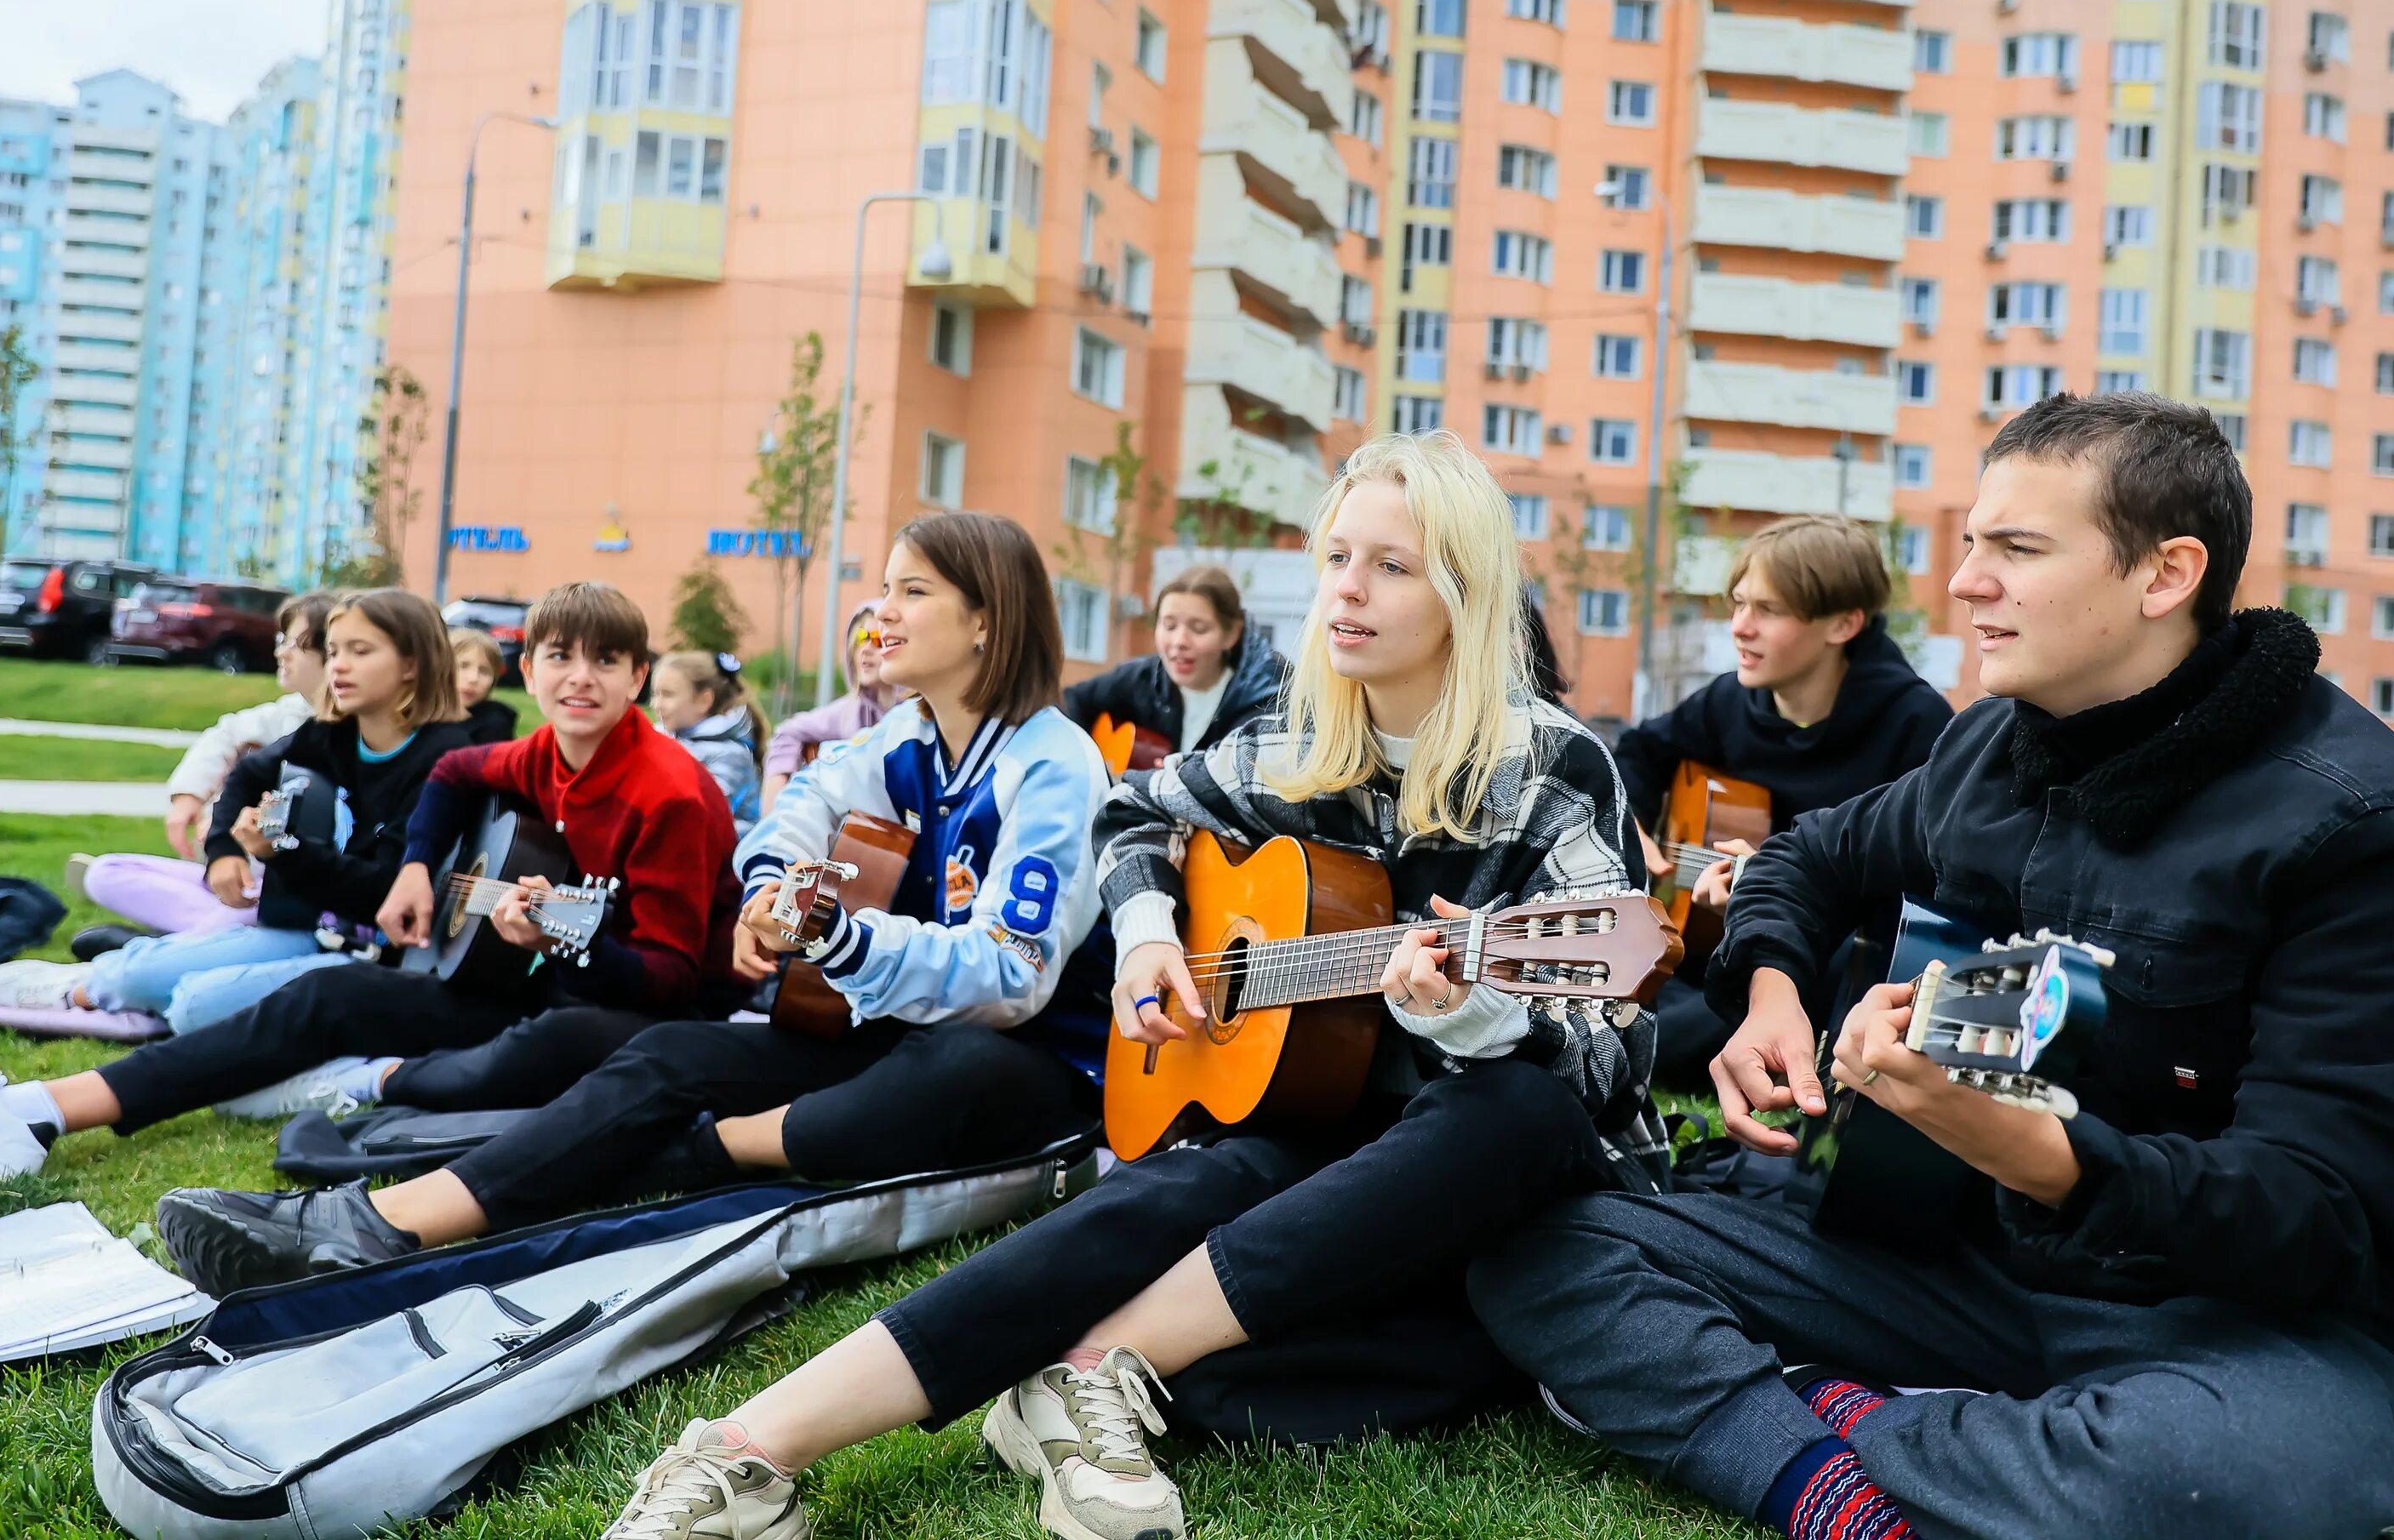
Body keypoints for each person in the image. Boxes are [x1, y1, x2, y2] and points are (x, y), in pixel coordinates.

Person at [587, 432, 1666, 1540]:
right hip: (1330, 1133)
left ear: (1466, 591)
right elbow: (1133, 812)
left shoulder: (1554, 763)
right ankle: (745, 1449)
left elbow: (1612, 1047)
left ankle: (1096, 1365)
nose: (1348, 587)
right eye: (1337, 557)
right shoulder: (1290, 752)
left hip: (1494, 1162)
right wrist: (1150, 935)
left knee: (1507, 1124)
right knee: (1173, 1199)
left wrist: (1479, 1010)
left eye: (1391, 566)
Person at [1468, 392, 2394, 1540]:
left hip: (2232, 1319)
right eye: (1972, 542)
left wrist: (2050, 1162)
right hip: (1956, 1251)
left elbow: (2324, 1215)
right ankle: (1845, 1469)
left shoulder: (2366, 832)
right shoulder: (1990, 742)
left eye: (2017, 550)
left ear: (2166, 574)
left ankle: (1815, 1413)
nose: (1965, 583)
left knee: (2221, 1484)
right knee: (1549, 1250)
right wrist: (1773, 997)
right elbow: (1804, 859)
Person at [145, 514, 1107, 1295]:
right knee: (663, 1053)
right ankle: (374, 1223)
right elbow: (802, 807)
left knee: (940, 1072)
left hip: (1015, 1064)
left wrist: (842, 935)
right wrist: (770, 885)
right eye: (884, 585)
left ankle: (697, 1153)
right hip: (880, 1024)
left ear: (987, 619)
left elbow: (1013, 977)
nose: (879, 611)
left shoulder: (1052, 762)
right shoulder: (909, 733)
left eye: (912, 590)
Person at [0, 583, 738, 1184]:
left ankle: (359, 1082)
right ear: (533, 666)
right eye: (560, 656)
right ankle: (39, 1110)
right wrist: (417, 868)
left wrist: (563, 935)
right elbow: (450, 773)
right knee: (325, 994)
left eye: (606, 660)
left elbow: (667, 977)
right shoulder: (539, 752)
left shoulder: (669, 792)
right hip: (521, 970)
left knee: (536, 1051)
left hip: (640, 1010)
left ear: (638, 676)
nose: (579, 676)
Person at [0, 590, 474, 1031]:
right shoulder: (332, 733)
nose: (338, 665)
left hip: (367, 955)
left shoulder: (444, 759)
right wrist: (225, 850)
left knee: (194, 1006)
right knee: (144, 972)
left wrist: (284, 855)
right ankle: (88, 988)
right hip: (300, 928)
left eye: (360, 652)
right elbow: (248, 774)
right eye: (335, 651)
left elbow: (381, 891)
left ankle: (116, 988)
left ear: (412, 664)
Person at [1613, 516, 1950, 1088]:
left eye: (1768, 610)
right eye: (1738, 604)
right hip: (1715, 956)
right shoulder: (1730, 701)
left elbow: (1923, 894)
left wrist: (1771, 894)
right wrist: (1635, 829)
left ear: (1843, 623)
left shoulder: (1917, 725)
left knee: (1642, 1035)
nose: (1740, 628)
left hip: (1836, 969)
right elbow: (1637, 754)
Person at [64, 590, 339, 945]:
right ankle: (181, 939)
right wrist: (190, 799)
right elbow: (223, 739)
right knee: (107, 871)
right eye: (280, 640)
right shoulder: (283, 716)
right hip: (235, 884)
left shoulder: (344, 737)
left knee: (244, 918)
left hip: (274, 898)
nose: (279, 652)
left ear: (332, 654)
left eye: (295, 644)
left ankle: (158, 945)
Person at [1060, 564, 1283, 758]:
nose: (1179, 641)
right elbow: (1069, 700)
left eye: (1199, 628)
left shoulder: (1265, 698)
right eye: (1169, 625)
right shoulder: (1143, 678)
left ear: (1231, 634)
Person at [760, 602, 894, 811]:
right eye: (861, 637)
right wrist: (776, 796)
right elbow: (787, 732)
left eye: (878, 640)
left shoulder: (919, 714)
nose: (866, 649)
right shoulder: (850, 711)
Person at [654, 647, 768, 836]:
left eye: (668, 695)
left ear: (703, 701)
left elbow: (707, 813)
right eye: (655, 694)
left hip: (727, 856)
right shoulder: (662, 738)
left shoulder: (731, 755)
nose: (656, 704)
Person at [451, 625, 520, 745]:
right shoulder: (419, 714)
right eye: (463, 666)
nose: (473, 678)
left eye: (484, 671)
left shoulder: (495, 727)